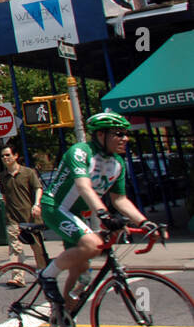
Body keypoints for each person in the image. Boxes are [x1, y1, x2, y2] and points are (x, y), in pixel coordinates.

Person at [37, 112, 161, 311]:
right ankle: (47, 275)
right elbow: (83, 186)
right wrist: (105, 216)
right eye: (119, 134)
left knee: (81, 272)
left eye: (126, 134)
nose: (125, 138)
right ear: (101, 135)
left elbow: (119, 199)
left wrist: (144, 222)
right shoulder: (80, 151)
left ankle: (62, 320)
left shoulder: (118, 163)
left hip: (77, 216)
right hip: (56, 208)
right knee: (93, 244)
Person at [0, 144, 44, 287]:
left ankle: (44, 274)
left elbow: (38, 188)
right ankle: (18, 277)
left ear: (15, 156)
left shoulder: (28, 173)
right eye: (3, 156)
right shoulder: (3, 176)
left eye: (8, 155)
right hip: (12, 218)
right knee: (15, 248)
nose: (5, 158)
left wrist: (36, 204)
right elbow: (5, 196)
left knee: (37, 248)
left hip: (30, 218)